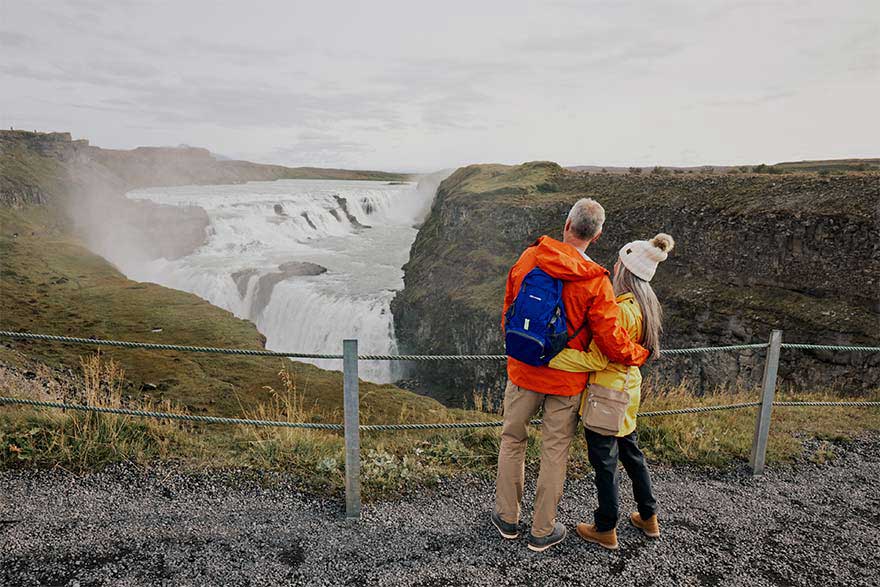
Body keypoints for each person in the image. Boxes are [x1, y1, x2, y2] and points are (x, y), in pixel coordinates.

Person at [491, 197, 650, 553]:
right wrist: (639, 354)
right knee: (555, 450)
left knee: (512, 440)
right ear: (596, 236)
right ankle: (542, 530)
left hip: (524, 370)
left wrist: (520, 350)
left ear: (566, 224)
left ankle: (507, 518)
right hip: (566, 382)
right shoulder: (597, 282)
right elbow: (611, 340)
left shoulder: (529, 258)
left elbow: (509, 310)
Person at [549, 233, 674, 551]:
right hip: (627, 394)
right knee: (632, 455)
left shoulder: (620, 311)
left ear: (626, 271)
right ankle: (649, 516)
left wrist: (555, 357)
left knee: (605, 463)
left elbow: (598, 357)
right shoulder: (647, 306)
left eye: (619, 262)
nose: (614, 265)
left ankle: (605, 527)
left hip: (606, 395)